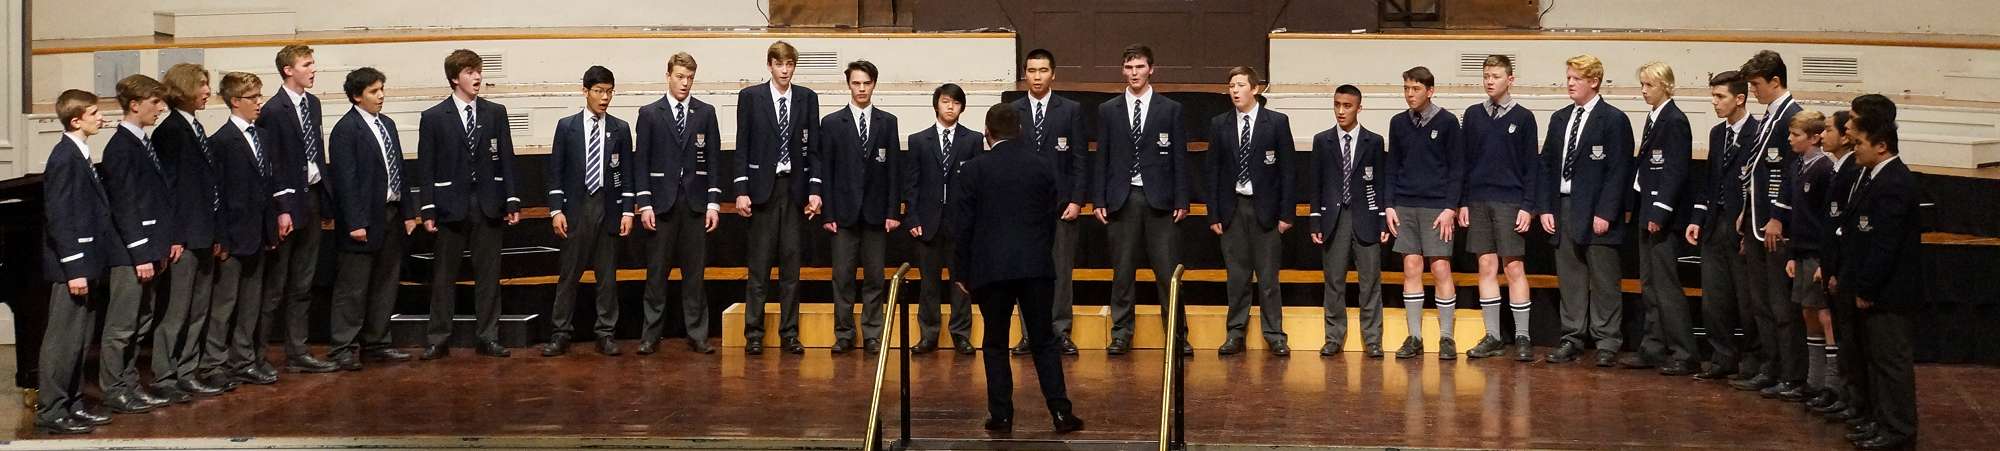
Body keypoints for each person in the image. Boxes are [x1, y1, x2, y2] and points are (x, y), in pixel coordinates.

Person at [954, 105, 1084, 434]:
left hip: (991, 269)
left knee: (995, 342)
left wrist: (962, 271)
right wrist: (1041, 255)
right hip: (1035, 266)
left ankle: (1001, 416)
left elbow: (963, 225)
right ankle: (1060, 413)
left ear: (987, 132)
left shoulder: (973, 169)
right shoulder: (1042, 166)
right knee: (1044, 341)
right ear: (1021, 130)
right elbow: (1050, 220)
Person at [417, 49, 521, 360]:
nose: (477, 77)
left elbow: (506, 158)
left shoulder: (495, 112)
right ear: (454, 78)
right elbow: (426, 167)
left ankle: (488, 336)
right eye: (469, 72)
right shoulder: (434, 117)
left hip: (488, 203)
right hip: (450, 205)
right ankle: (438, 338)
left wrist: (512, 199)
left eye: (478, 71)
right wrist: (427, 207)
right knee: (444, 276)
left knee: (488, 275)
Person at [1094, 44, 1191, 356]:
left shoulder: (1171, 109)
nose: (1134, 73)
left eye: (1139, 67)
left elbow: (1180, 158)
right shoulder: (1108, 109)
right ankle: (1121, 333)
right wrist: (1098, 198)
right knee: (1122, 272)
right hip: (1121, 198)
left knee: (1167, 273)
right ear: (1123, 70)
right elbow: (1103, 157)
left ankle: (1177, 335)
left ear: (1151, 69)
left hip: (1161, 200)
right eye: (1129, 67)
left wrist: (1182, 199)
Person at [1538, 54, 1633, 367]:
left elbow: (1619, 170)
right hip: (1564, 206)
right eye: (1568, 77)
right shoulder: (1560, 118)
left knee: (1604, 279)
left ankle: (1607, 341)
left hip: (1597, 211)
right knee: (1571, 277)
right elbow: (1546, 165)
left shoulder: (1613, 119)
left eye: (1576, 78)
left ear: (1594, 81)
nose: (1569, 83)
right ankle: (1572, 336)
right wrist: (1546, 207)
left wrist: (1606, 212)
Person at [1837, 98, 1920, 450]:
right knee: (1874, 361)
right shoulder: (1874, 177)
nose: (1854, 147)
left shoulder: (1895, 182)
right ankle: (1880, 421)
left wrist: (1867, 288)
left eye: (1859, 143)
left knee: (1891, 364)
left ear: (1881, 145)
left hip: (1889, 294)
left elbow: (1885, 244)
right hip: (1872, 290)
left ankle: (1898, 431)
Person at [36, 89, 117, 434]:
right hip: (73, 266)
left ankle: (73, 402)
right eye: (94, 113)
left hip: (87, 263)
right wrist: (74, 268)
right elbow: (60, 217)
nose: (101, 118)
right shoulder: (64, 157)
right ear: (76, 120)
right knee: (63, 341)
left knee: (80, 340)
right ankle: (52, 409)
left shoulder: (78, 154)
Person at [326, 67, 418, 370]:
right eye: (373, 91)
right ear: (357, 96)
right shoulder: (346, 130)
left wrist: (408, 211)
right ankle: (343, 347)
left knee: (385, 282)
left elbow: (399, 169)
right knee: (353, 287)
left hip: (390, 213)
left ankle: (377, 342)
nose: (380, 96)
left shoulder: (387, 124)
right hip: (362, 219)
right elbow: (345, 181)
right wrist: (355, 222)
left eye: (381, 90)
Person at [540, 66, 636, 357]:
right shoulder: (566, 127)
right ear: (585, 91)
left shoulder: (620, 129)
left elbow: (627, 174)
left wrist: (627, 211)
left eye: (609, 92)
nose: (604, 97)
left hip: (607, 206)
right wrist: (556, 210)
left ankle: (605, 332)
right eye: (599, 91)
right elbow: (555, 172)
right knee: (569, 274)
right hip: (576, 207)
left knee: (607, 276)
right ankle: (560, 333)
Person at [734, 41, 820, 355]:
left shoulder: (807, 98)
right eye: (779, 64)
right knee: (759, 268)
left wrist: (815, 190)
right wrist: (741, 190)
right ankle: (754, 333)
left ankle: (789, 333)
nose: (785, 70)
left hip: (794, 191)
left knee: (791, 269)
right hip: (761, 192)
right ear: (769, 65)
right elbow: (742, 145)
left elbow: (814, 150)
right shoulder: (751, 97)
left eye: (789, 64)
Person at [257, 44, 338, 374]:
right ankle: (256, 356)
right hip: (287, 205)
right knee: (275, 286)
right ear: (288, 70)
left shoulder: (313, 104)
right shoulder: (273, 110)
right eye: (306, 64)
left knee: (303, 283)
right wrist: (281, 207)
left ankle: (298, 351)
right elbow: (272, 162)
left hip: (312, 198)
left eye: (312, 63)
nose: (313, 69)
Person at [98, 74, 174, 413]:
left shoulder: (142, 142)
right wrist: (142, 253)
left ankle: (129, 384)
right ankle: (114, 389)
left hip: (147, 250)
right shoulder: (120, 147)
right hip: (130, 254)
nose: (160, 108)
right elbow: (125, 205)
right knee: (122, 326)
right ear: (134, 105)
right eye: (154, 102)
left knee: (141, 322)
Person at [637, 52, 722, 355]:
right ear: (668, 76)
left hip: (695, 204)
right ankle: (650, 335)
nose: (685, 83)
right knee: (656, 273)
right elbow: (641, 161)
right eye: (680, 77)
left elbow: (713, 160)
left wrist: (713, 203)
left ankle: (697, 333)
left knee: (694, 275)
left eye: (690, 78)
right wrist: (644, 203)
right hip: (661, 204)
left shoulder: (705, 112)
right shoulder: (650, 113)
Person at [151, 63, 228, 399]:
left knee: (198, 309)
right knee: (177, 311)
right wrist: (174, 237)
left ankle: (187, 370)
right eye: (201, 85)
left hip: (203, 234)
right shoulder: (170, 131)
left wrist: (215, 234)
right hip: (184, 238)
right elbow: (167, 191)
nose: (207, 92)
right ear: (183, 89)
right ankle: (165, 376)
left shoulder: (194, 126)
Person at [1456, 55, 1540, 361]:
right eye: (1486, 76)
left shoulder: (1524, 117)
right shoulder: (1473, 115)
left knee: (1513, 267)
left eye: (1496, 76)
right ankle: (1493, 335)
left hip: (1510, 201)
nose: (1490, 81)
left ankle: (1522, 336)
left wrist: (1527, 206)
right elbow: (1464, 162)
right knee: (1486, 266)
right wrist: (1463, 202)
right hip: (1478, 200)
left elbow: (1532, 167)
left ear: (1510, 79)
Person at [1206, 66, 1295, 356]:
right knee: (1237, 277)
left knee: (1268, 278)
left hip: (1265, 210)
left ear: (1254, 89)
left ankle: (1275, 334)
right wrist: (1214, 214)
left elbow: (1288, 171)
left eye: (1241, 85)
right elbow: (1212, 171)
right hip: (1233, 208)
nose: (1235, 90)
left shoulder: (1276, 122)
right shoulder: (1220, 123)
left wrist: (1286, 215)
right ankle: (1235, 333)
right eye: (1231, 85)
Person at [1731, 50, 1805, 395]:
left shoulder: (1792, 116)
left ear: (1776, 81)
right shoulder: (1768, 117)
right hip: (1756, 222)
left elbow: (1791, 173)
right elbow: (1757, 172)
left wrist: (1778, 216)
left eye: (1757, 84)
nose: (1754, 91)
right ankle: (1770, 367)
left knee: (1780, 306)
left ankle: (1791, 374)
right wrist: (1746, 212)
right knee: (1760, 303)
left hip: (1775, 226)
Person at [816, 60, 902, 354]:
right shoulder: (831, 123)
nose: (862, 88)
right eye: (856, 83)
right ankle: (843, 334)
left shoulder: (887, 122)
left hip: (876, 213)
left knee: (875, 277)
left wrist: (893, 211)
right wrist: (827, 213)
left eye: (866, 83)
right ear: (848, 85)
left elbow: (894, 170)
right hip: (842, 214)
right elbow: (826, 171)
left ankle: (872, 334)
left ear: (874, 84)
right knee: (842, 277)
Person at [1008, 48, 1088, 356]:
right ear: (1024, 74)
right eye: (1031, 71)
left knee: (1061, 272)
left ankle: (1060, 331)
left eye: (1043, 70)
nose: (1037, 76)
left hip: (1061, 206)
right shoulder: (1012, 110)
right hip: (1022, 209)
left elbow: (1080, 159)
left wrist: (1077, 200)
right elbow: (1004, 158)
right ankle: (1030, 333)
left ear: (1053, 74)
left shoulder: (1070, 110)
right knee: (1024, 272)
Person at [1620, 61, 1696, 375]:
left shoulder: (1674, 120)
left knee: (1665, 286)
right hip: (1646, 209)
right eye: (1642, 84)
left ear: (1665, 86)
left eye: (1649, 85)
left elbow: (1675, 170)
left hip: (1660, 215)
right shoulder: (1654, 118)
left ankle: (1684, 352)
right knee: (1649, 284)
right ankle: (1653, 347)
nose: (1643, 90)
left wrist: (1660, 211)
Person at [1686, 71, 1762, 381]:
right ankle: (1722, 357)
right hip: (1714, 223)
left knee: (1746, 299)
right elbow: (1709, 180)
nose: (1714, 102)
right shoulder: (1718, 133)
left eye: (1721, 96)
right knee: (1715, 298)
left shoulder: (1757, 133)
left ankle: (1753, 360)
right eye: (1713, 96)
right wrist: (1697, 218)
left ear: (1739, 98)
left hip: (1741, 225)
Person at [207, 71, 281, 388]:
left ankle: (244, 361)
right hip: (233, 237)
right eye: (253, 98)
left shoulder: (261, 136)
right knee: (224, 305)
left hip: (257, 234)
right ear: (235, 101)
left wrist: (270, 230)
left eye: (260, 96)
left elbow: (266, 187)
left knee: (251, 303)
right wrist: (221, 238)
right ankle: (213, 363)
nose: (259, 103)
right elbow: (218, 195)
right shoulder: (221, 142)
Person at [1384, 66, 1463, 360]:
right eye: (1406, 88)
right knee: (1411, 267)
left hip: (1436, 206)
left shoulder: (1447, 122)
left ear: (1430, 91)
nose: (1410, 94)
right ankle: (1414, 336)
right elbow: (1392, 166)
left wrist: (1450, 207)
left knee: (1440, 268)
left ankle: (1446, 336)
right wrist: (1389, 204)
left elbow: (1457, 168)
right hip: (1405, 204)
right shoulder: (1398, 122)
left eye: (1415, 89)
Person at [1310, 85, 1389, 358]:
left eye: (1347, 106)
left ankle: (1372, 339)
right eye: (1337, 105)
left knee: (1370, 280)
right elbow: (1316, 183)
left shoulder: (1373, 141)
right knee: (1334, 280)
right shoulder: (1322, 140)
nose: (1341, 111)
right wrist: (1315, 219)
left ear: (1359, 108)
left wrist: (1382, 220)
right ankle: (1333, 337)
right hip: (1334, 218)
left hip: (1366, 216)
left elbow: (1380, 182)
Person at [903, 83, 981, 354]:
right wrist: (912, 218)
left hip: (960, 223)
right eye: (946, 101)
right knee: (929, 283)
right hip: (928, 222)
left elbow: (977, 184)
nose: (950, 107)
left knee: (961, 281)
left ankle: (961, 334)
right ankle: (929, 334)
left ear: (962, 107)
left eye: (956, 103)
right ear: (936, 104)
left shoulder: (973, 140)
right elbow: (911, 184)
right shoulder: (918, 140)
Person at [1781, 110, 1836, 403]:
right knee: (1807, 312)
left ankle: (1832, 383)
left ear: (1814, 138)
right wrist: (1792, 253)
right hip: (1801, 251)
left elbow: (1828, 219)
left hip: (1817, 253)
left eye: (1796, 135)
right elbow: (1796, 216)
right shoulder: (1797, 166)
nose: (1790, 140)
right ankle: (1814, 381)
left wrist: (1825, 261)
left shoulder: (1825, 169)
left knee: (1824, 315)